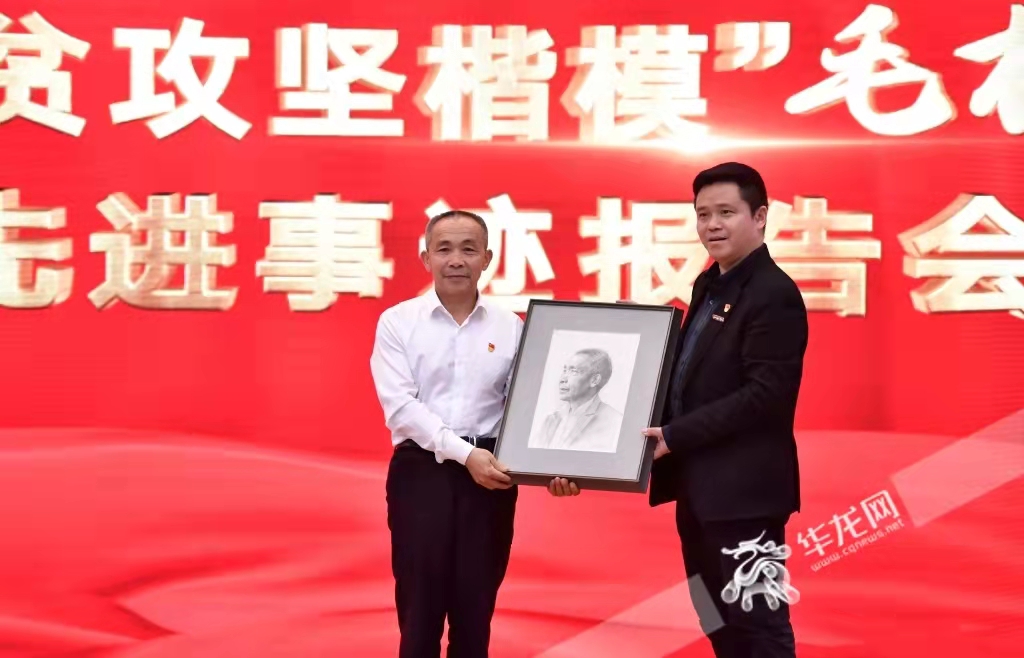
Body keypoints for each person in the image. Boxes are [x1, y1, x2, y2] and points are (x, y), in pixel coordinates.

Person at [550, 162, 808, 658]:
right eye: (703, 214)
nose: (712, 225)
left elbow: (767, 395)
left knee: (759, 624)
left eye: (726, 212)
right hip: (700, 491)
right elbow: (688, 371)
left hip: (746, 498)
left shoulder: (772, 293)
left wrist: (675, 435)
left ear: (760, 216)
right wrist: (634, 340)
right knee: (714, 618)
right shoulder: (709, 285)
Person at [370, 209, 523, 658]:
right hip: (422, 472)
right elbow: (401, 407)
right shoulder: (398, 322)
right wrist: (463, 454)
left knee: (476, 613)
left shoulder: (511, 326)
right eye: (444, 249)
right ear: (426, 258)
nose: (456, 259)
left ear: (487, 258)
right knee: (419, 613)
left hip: (490, 475)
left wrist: (554, 463)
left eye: (469, 249)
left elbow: (523, 407)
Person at [530, 348, 622, 452]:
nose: (563, 379)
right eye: (565, 370)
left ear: (594, 380)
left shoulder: (614, 422)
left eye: (573, 371)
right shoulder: (551, 420)